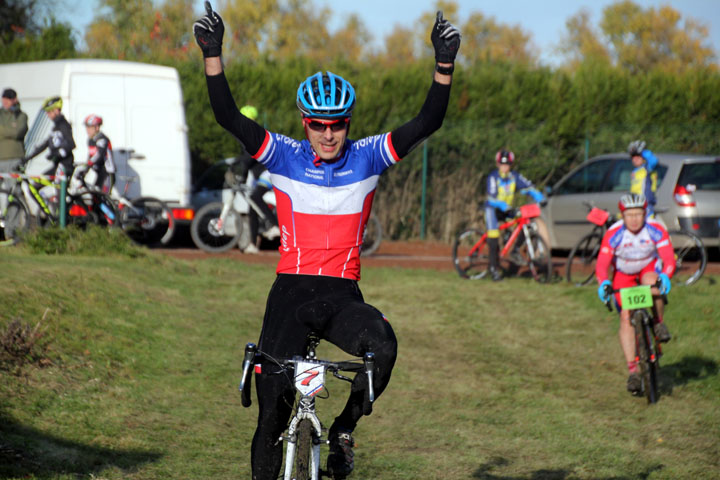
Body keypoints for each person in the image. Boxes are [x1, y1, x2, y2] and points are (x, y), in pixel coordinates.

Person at [194, 3, 460, 478]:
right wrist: (213, 55)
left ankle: (341, 431)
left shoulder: (369, 156)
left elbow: (427, 123)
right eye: (318, 123)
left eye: (337, 123)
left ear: (348, 122)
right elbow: (228, 116)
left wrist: (443, 67)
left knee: (385, 346)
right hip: (290, 291)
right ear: (304, 122)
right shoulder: (282, 155)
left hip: (341, 293)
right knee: (271, 414)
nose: (328, 133)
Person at [595, 193, 674, 395]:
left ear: (645, 213)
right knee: (625, 316)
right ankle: (633, 370)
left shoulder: (655, 228)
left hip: (647, 268)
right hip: (623, 273)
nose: (634, 219)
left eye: (639, 214)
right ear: (622, 215)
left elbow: (668, 259)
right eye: (629, 215)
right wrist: (603, 282)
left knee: (654, 286)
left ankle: (658, 323)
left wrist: (665, 275)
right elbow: (602, 265)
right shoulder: (614, 233)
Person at [484, 149, 544, 281]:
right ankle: (493, 269)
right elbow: (491, 198)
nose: (505, 167)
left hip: (507, 210)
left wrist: (537, 194)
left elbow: (528, 186)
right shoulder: (493, 177)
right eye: (502, 164)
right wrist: (501, 205)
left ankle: (515, 250)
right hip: (493, 209)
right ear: (498, 164)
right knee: (493, 237)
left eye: (507, 164)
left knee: (525, 221)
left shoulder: (514, 176)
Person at [230, 105, 279, 254]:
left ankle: (274, 225)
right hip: (261, 174)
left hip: (269, 172)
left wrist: (236, 170)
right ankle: (252, 244)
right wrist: (242, 176)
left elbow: (247, 160)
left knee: (255, 196)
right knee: (252, 208)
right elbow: (247, 162)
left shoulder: (253, 135)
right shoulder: (251, 135)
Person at [22, 96, 76, 186]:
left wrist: (57, 153)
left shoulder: (63, 125)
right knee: (36, 186)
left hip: (65, 165)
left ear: (56, 110)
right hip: (57, 165)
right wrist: (28, 158)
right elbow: (45, 144)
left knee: (60, 196)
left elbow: (71, 144)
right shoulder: (56, 126)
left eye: (49, 112)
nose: (47, 114)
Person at [0, 88, 28, 211]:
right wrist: (8, 130)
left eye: (8, 99)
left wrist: (1, 130)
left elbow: (18, 133)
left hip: (14, 158)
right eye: (4, 98)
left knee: (14, 193)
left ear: (14, 100)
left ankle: (12, 227)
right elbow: (12, 132)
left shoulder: (21, 115)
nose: (5, 101)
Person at [75, 114, 116, 194]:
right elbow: (90, 156)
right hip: (99, 173)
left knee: (103, 197)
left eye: (90, 127)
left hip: (107, 173)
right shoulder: (91, 140)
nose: (87, 130)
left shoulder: (102, 139)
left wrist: (88, 165)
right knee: (95, 197)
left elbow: (99, 155)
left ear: (97, 127)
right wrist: (85, 170)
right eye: (86, 127)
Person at [627, 140, 659, 218]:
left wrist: (643, 152)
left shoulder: (647, 168)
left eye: (638, 156)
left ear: (643, 157)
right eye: (633, 157)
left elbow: (654, 161)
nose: (635, 159)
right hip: (636, 205)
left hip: (646, 205)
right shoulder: (635, 171)